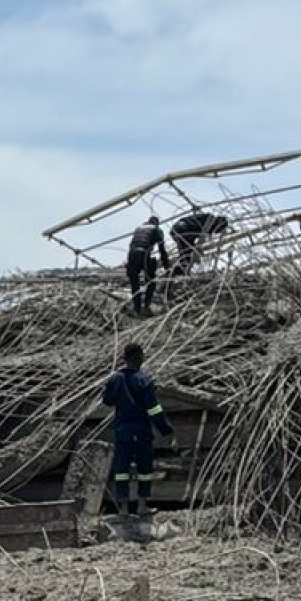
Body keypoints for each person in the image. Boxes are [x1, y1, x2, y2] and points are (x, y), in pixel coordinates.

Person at [102, 343, 173, 518]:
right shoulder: (144, 380)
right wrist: (166, 430)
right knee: (144, 470)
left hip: (122, 432)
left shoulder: (115, 379)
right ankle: (142, 506)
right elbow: (154, 410)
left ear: (125, 358)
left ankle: (124, 510)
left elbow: (107, 400)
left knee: (121, 470)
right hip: (141, 432)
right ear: (139, 357)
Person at [125, 215, 168, 315]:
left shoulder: (139, 228)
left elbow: (133, 243)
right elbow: (162, 250)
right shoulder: (157, 229)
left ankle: (137, 309)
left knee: (134, 282)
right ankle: (146, 307)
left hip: (131, 254)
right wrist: (167, 267)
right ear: (156, 223)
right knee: (151, 280)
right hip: (143, 253)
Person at [169, 210, 229, 275]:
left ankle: (177, 272)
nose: (217, 231)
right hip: (183, 229)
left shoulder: (207, 219)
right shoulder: (210, 220)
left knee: (186, 253)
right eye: (219, 229)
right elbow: (201, 240)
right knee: (188, 254)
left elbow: (201, 238)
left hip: (178, 229)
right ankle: (176, 273)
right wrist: (198, 252)